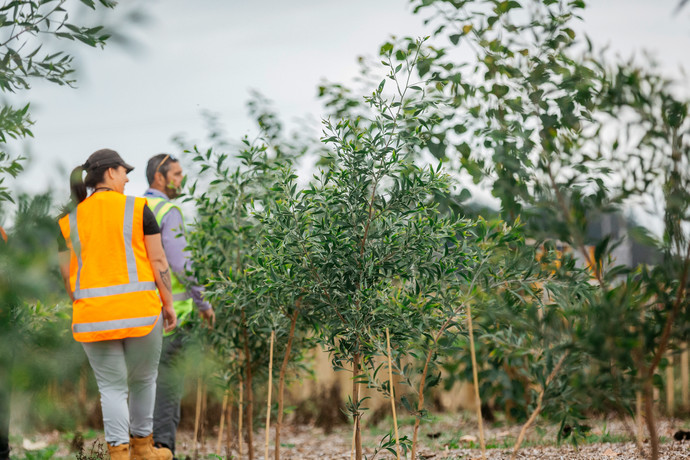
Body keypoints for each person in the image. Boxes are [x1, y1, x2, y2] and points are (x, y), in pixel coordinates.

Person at [58, 149, 177, 460]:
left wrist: (86, 305)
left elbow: (68, 276)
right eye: (125, 172)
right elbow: (158, 260)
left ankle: (119, 454)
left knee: (111, 388)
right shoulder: (139, 209)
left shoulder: (67, 220)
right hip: (140, 314)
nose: (126, 179)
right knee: (143, 381)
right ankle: (143, 449)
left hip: (93, 318)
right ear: (110, 172)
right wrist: (169, 305)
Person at [143, 154, 215, 458]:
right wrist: (203, 301)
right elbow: (181, 264)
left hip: (140, 314)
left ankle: (142, 449)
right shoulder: (167, 211)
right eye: (176, 174)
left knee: (143, 387)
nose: (181, 179)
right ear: (159, 177)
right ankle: (163, 450)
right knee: (167, 388)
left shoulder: (136, 208)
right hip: (171, 318)